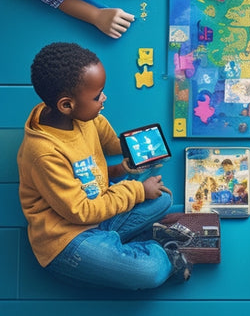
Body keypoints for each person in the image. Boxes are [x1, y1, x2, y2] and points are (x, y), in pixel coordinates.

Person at [17, 42, 192, 289]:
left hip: (102, 217)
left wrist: (138, 148)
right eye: (97, 96)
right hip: (69, 239)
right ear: (67, 104)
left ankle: (122, 247)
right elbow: (82, 212)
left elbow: (112, 145)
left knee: (161, 200)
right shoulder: (43, 153)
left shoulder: (82, 116)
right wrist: (138, 191)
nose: (104, 98)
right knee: (149, 272)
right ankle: (159, 253)